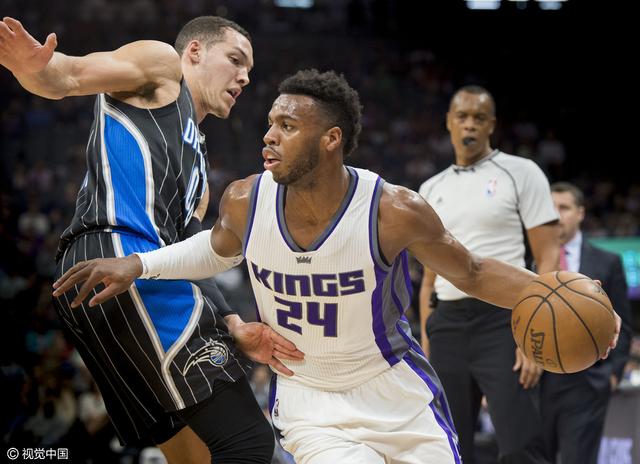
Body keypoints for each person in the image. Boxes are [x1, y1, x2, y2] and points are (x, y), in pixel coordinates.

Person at [52, 69, 621, 464]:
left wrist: (552, 293)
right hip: (311, 397)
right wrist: (138, 264)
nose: (268, 135)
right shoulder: (246, 200)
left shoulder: (393, 210)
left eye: (287, 126)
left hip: (394, 389)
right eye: (270, 122)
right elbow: (216, 250)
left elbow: (470, 271)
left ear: (331, 140)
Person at [0, 15, 303, 464]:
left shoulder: (198, 172)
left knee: (196, 457)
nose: (244, 77)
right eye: (236, 60)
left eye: (249, 71)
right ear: (195, 51)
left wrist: (233, 323)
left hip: (108, 283)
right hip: (119, 260)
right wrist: (31, 67)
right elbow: (68, 74)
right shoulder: (163, 68)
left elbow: (190, 258)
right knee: (251, 444)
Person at [418, 85, 559, 464]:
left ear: (492, 125)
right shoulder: (431, 189)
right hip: (447, 323)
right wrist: (427, 340)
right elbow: (429, 281)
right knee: (446, 444)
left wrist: (534, 333)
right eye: (462, 116)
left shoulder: (521, 172)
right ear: (449, 122)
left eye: (479, 118)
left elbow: (548, 256)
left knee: (519, 443)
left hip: (505, 317)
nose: (470, 125)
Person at [541, 181, 632, 464]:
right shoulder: (529, 262)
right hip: (537, 381)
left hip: (588, 382)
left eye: (564, 207)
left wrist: (613, 373)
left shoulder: (608, 261)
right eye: (550, 209)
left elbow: (624, 324)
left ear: (580, 213)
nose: (557, 215)